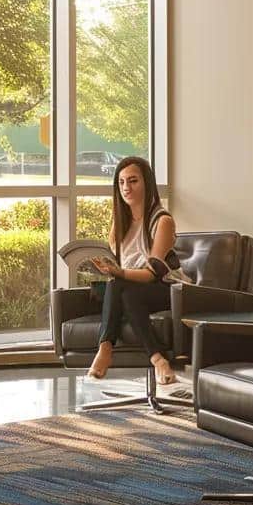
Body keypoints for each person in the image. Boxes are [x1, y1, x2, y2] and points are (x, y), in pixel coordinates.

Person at [84, 156, 192, 386]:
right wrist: (106, 270)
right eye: (121, 182)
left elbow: (152, 274)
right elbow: (122, 268)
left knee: (121, 287)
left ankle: (105, 349)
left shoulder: (162, 220)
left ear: (147, 183)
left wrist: (119, 273)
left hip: (168, 289)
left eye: (133, 181)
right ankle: (158, 359)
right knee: (123, 292)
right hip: (130, 288)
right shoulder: (120, 223)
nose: (126, 188)